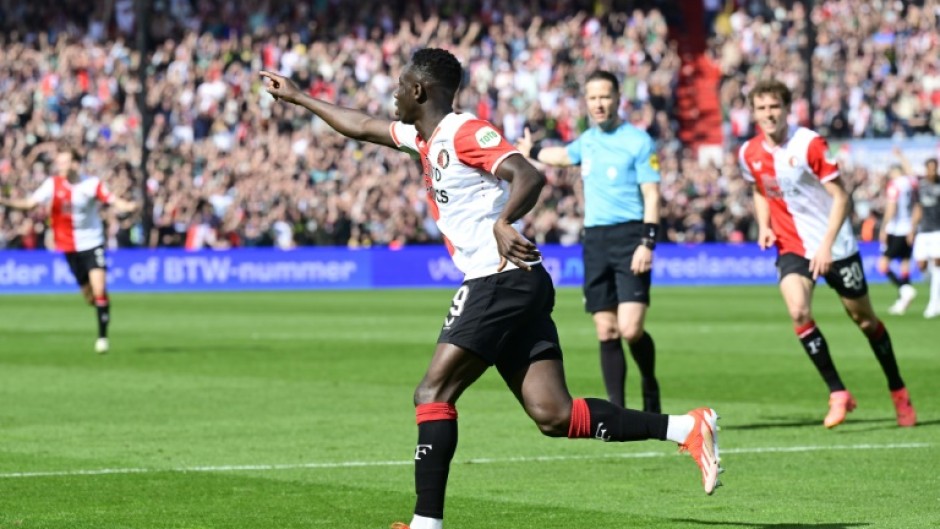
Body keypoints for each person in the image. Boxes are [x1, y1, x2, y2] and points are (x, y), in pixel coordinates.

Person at [260, 49, 722, 529]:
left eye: (399, 85)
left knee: (432, 393)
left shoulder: (464, 131)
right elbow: (361, 125)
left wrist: (505, 220)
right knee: (554, 414)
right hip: (516, 281)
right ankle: (687, 428)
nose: (393, 95)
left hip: (499, 277)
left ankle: (425, 524)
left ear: (419, 91)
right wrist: (299, 98)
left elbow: (528, 173)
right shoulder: (425, 138)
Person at [738, 79, 916, 429]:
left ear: (787, 108)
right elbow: (759, 190)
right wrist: (764, 225)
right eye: (761, 108)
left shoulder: (809, 144)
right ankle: (838, 392)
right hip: (792, 246)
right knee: (798, 310)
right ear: (753, 112)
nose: (768, 114)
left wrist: (826, 245)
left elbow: (841, 197)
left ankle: (898, 391)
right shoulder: (749, 153)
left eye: (774, 106)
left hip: (836, 246)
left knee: (865, 321)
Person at [516, 70, 662, 413]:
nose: (599, 103)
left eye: (605, 97)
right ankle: (619, 410)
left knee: (631, 328)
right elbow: (564, 156)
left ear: (617, 99)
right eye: (593, 98)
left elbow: (652, 195)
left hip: (630, 236)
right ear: (587, 102)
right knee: (606, 329)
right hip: (595, 240)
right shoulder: (588, 140)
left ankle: (650, 385)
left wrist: (647, 241)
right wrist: (532, 149)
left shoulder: (639, 141)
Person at [0, 144, 138, 353]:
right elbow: (30, 204)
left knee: (99, 288)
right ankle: (102, 306)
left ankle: (102, 338)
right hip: (69, 247)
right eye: (59, 163)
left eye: (64, 162)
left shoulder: (90, 184)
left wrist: (128, 206)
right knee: (89, 297)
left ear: (75, 163)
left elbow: (111, 200)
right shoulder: (52, 185)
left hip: (93, 243)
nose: (61, 167)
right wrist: (5, 201)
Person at [877, 153, 919, 315]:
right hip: (909, 228)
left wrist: (884, 227)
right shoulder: (910, 182)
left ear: (894, 171)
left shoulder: (894, 185)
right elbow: (911, 171)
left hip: (896, 229)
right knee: (905, 263)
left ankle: (904, 288)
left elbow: (891, 208)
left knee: (883, 265)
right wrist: (902, 156)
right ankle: (902, 301)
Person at [907, 156, 940, 318]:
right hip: (923, 230)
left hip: (938, 230)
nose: (933, 171)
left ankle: (934, 303)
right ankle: (936, 293)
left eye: (935, 168)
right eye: (930, 168)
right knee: (922, 265)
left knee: (937, 264)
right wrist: (912, 228)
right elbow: (918, 208)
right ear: (926, 169)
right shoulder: (920, 186)